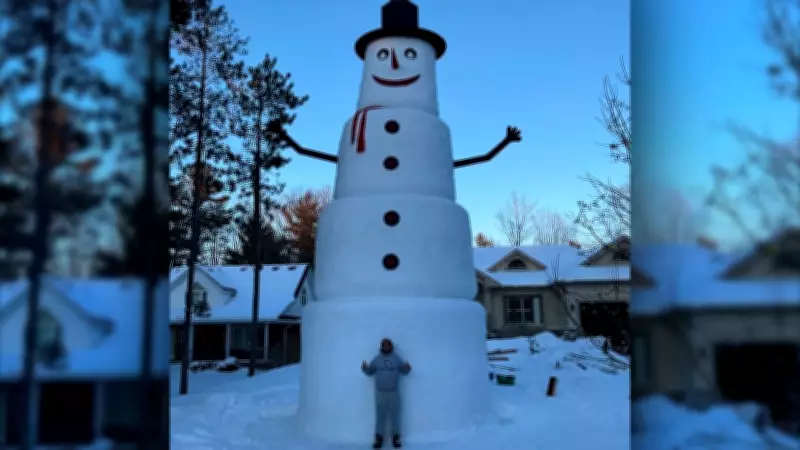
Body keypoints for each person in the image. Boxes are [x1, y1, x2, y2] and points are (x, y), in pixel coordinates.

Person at [362, 338, 411, 449]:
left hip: (393, 392)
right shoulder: (377, 359)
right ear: (381, 347)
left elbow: (403, 371)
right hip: (380, 393)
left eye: (387, 345)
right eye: (383, 345)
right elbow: (370, 371)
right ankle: (378, 439)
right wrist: (365, 368)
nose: (385, 347)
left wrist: (407, 368)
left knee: (395, 416)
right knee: (380, 416)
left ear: (391, 346)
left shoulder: (397, 358)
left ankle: (396, 438)